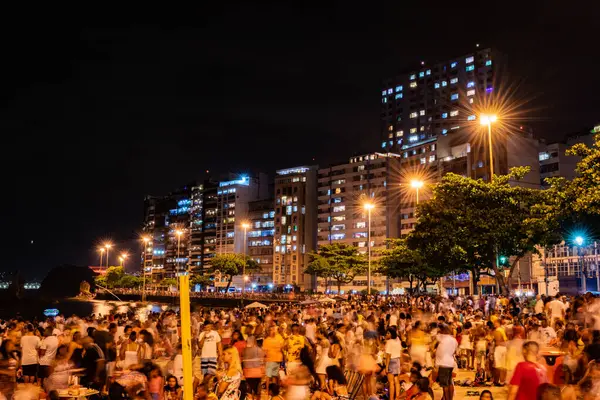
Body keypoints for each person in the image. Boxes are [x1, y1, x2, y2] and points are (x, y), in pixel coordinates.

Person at [434, 324, 457, 400]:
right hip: (450, 363)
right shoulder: (453, 340)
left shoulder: (442, 338)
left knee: (445, 385)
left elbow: (433, 336)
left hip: (443, 363)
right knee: (450, 382)